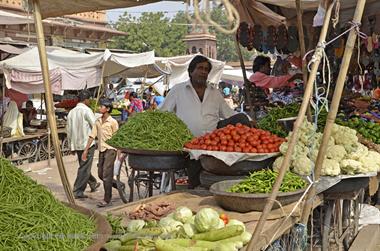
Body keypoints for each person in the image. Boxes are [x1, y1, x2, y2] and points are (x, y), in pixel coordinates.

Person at [160, 55, 250, 188]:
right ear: (191, 71)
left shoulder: (214, 92)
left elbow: (229, 114)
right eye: (200, 68)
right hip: (188, 144)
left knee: (241, 118)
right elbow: (163, 114)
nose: (203, 72)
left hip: (212, 145)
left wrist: (249, 120)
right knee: (194, 182)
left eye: (206, 69)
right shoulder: (178, 90)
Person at [82, 100, 119, 207]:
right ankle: (118, 184)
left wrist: (119, 154)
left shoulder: (113, 122)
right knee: (101, 174)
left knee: (107, 175)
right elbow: (92, 136)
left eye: (102, 106)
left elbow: (117, 138)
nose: (99, 108)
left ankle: (107, 199)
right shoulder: (97, 121)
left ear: (107, 109)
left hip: (111, 149)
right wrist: (86, 150)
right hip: (101, 149)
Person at [66, 90, 100, 199]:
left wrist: (71, 146)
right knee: (84, 168)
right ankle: (78, 190)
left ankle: (93, 183)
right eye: (89, 99)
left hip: (77, 144)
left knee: (83, 165)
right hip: (87, 144)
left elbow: (69, 130)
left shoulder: (72, 112)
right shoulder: (86, 110)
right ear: (86, 100)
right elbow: (95, 125)